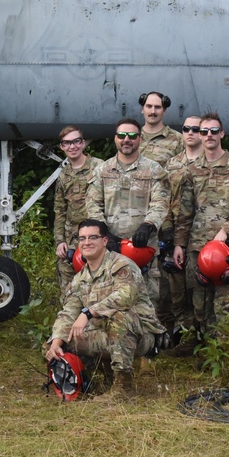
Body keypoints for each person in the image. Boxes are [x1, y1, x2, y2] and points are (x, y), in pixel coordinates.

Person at [44, 219, 167, 400]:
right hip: (105, 334)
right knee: (55, 343)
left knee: (119, 318)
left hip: (141, 334)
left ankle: (124, 389)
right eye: (83, 238)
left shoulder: (122, 265)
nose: (87, 242)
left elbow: (125, 296)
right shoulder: (80, 279)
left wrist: (88, 313)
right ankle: (83, 381)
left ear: (105, 241)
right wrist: (56, 342)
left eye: (93, 237)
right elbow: (68, 312)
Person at [173, 113, 229, 336]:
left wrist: (225, 232)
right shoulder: (192, 169)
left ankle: (226, 354)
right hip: (197, 246)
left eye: (213, 131)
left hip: (224, 248)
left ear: (222, 134)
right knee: (199, 303)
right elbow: (185, 212)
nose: (209, 135)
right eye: (204, 131)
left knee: (224, 304)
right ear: (199, 135)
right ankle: (206, 350)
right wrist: (179, 244)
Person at [86, 118, 170, 312]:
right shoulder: (101, 170)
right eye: (122, 135)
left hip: (143, 252)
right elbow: (92, 204)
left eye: (132, 135)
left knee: (145, 308)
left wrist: (149, 224)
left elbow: (161, 202)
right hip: (109, 251)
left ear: (140, 139)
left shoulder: (154, 170)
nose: (127, 139)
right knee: (108, 306)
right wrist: (103, 233)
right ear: (115, 139)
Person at [138, 91, 186, 333]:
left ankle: (167, 331)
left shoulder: (176, 140)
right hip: (136, 216)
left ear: (164, 111)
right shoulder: (133, 138)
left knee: (166, 281)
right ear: (142, 109)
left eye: (157, 107)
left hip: (166, 216)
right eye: (149, 106)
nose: (153, 111)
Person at [160, 115, 206, 356]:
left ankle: (205, 342)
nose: (190, 132)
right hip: (175, 237)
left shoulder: (211, 163)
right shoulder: (172, 165)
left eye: (196, 129)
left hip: (201, 235)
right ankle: (186, 340)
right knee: (176, 293)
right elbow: (163, 200)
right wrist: (166, 229)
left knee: (199, 291)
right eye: (186, 128)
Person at [53, 125, 103, 297]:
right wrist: (60, 241)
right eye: (67, 143)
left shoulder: (99, 167)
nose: (72, 147)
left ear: (82, 143)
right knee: (69, 290)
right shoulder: (63, 176)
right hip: (71, 239)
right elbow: (59, 211)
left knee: (97, 286)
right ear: (62, 147)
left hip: (95, 237)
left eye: (75, 141)